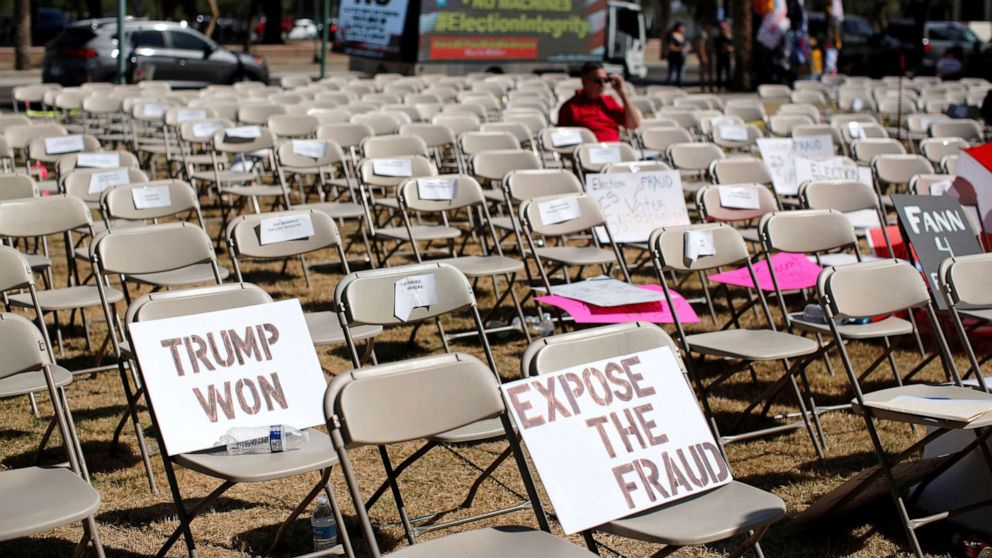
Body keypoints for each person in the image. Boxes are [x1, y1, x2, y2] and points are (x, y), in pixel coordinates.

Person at [557, 62, 641, 142]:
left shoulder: (609, 101)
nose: (603, 85)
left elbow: (634, 124)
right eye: (598, 81)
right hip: (588, 153)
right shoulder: (570, 107)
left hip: (614, 151)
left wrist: (621, 92)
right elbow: (563, 142)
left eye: (606, 80)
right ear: (584, 81)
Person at [665, 22, 688, 87]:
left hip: (682, 58)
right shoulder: (672, 35)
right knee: (672, 73)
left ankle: (679, 87)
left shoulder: (682, 36)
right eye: (682, 27)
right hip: (673, 57)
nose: (683, 28)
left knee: (681, 74)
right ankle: (667, 88)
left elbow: (685, 45)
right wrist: (680, 49)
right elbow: (670, 46)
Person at [713, 21, 734, 91]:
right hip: (719, 57)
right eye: (722, 29)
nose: (724, 30)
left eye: (725, 28)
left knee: (728, 72)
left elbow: (733, 46)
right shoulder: (718, 38)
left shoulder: (729, 37)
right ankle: (719, 87)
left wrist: (731, 49)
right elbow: (715, 48)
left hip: (727, 57)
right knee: (719, 72)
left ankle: (728, 87)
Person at [697, 23, 714, 92]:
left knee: (710, 72)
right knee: (703, 72)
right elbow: (701, 46)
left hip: (709, 55)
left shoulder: (709, 34)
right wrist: (704, 56)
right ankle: (703, 88)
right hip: (706, 55)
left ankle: (710, 87)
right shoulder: (703, 34)